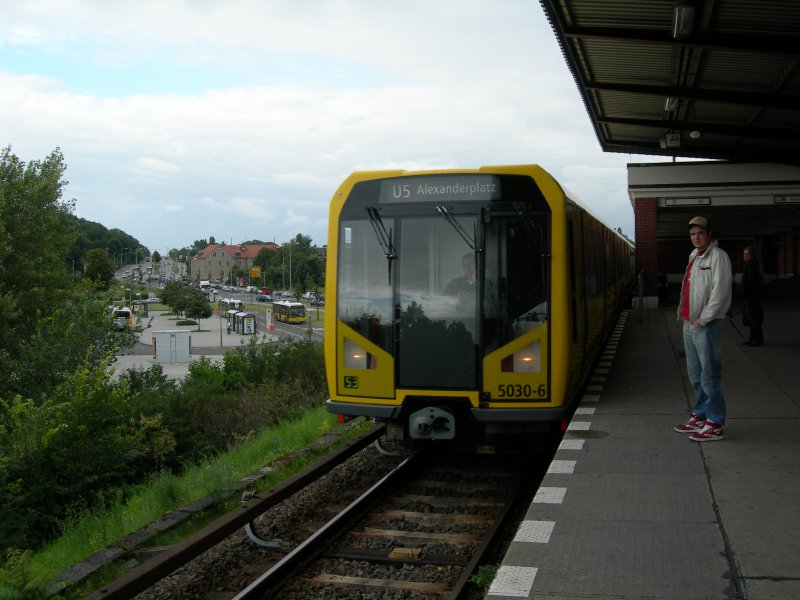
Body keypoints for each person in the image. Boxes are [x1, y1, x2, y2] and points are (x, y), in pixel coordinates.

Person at [673, 216, 732, 442]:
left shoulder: (718, 257)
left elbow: (720, 293)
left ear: (709, 234)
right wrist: (687, 318)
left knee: (710, 376)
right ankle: (700, 415)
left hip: (706, 325)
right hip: (690, 322)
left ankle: (715, 423)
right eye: (692, 234)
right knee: (695, 375)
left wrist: (703, 319)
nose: (696, 237)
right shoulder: (694, 256)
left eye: (700, 233)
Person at [741, 246, 764, 346]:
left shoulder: (752, 266)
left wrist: (746, 293)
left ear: (752, 255)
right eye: (744, 254)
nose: (745, 256)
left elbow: (751, 283)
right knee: (751, 319)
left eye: (747, 254)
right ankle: (752, 339)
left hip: (752, 297)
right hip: (750, 296)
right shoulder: (749, 265)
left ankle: (757, 340)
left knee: (754, 319)